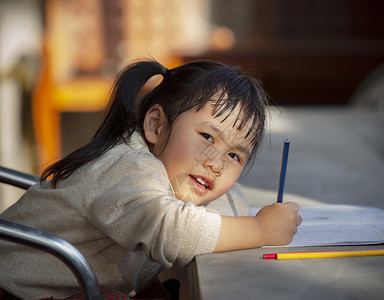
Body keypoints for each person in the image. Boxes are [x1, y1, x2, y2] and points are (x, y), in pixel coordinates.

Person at [0, 60, 302, 299]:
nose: (216, 164)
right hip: (17, 292)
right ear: (156, 125)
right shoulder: (127, 167)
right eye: (207, 136)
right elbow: (169, 231)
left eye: (235, 156)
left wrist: (243, 217)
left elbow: (230, 198)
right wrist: (259, 229)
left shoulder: (173, 168)